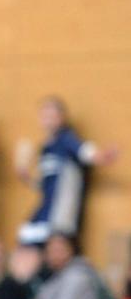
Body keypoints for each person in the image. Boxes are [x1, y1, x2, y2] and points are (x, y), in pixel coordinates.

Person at [17, 96, 118, 246]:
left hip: (60, 215)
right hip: (45, 209)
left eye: (52, 115)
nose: (48, 120)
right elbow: (45, 185)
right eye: (44, 115)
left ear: (62, 117)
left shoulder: (66, 139)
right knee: (25, 238)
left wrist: (100, 156)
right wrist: (25, 177)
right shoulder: (45, 148)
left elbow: (84, 151)